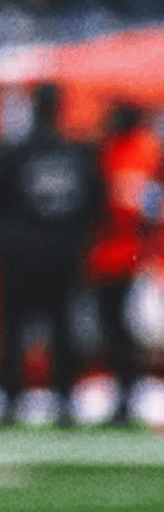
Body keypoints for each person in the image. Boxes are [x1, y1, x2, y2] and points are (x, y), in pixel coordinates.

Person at [0, 82, 102, 428]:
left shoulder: (17, 150)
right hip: (61, 255)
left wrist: (3, 230)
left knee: (14, 328)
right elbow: (96, 199)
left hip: (19, 254)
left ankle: (11, 401)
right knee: (62, 328)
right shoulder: (75, 153)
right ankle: (63, 401)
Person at [88, 102, 159, 426]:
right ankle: (124, 396)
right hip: (112, 254)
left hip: (130, 255)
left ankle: (128, 396)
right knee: (117, 331)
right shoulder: (109, 150)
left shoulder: (147, 151)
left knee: (126, 331)